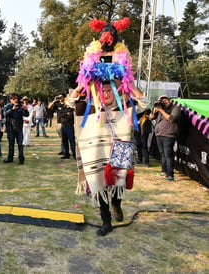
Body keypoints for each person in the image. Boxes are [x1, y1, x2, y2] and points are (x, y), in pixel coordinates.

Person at [71, 18, 148, 236]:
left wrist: (130, 85)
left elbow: (144, 103)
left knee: (118, 177)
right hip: (97, 139)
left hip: (119, 137)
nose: (105, 91)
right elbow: (70, 100)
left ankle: (117, 202)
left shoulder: (124, 96)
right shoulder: (91, 99)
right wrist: (80, 86)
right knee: (98, 180)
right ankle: (106, 220)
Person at [150, 95, 181, 181]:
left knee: (168, 155)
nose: (164, 101)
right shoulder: (160, 108)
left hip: (169, 135)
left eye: (165, 99)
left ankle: (170, 174)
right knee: (162, 154)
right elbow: (151, 117)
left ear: (169, 100)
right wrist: (154, 110)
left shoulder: (175, 108)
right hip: (159, 134)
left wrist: (160, 110)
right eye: (162, 100)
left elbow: (171, 119)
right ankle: (164, 171)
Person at [3, 93, 29, 164]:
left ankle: (21, 159)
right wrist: (12, 109)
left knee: (20, 144)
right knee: (11, 144)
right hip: (10, 128)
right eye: (13, 99)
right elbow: (5, 114)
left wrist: (24, 109)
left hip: (19, 128)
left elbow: (27, 114)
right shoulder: (8, 106)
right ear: (10, 99)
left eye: (16, 98)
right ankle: (10, 158)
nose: (15, 100)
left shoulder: (20, 106)